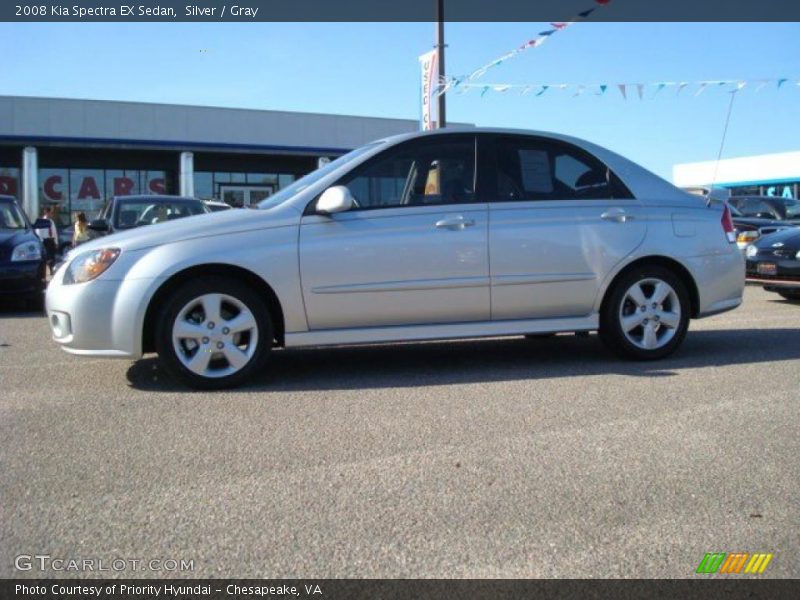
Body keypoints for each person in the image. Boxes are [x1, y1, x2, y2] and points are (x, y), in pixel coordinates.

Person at [37, 206, 58, 274]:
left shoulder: (51, 221)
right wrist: (41, 242)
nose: (49, 214)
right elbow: (39, 233)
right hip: (45, 241)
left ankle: (52, 269)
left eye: (50, 213)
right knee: (47, 257)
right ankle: (48, 269)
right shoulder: (41, 221)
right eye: (48, 213)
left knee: (52, 256)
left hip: (51, 240)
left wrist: (56, 242)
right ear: (45, 212)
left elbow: (54, 232)